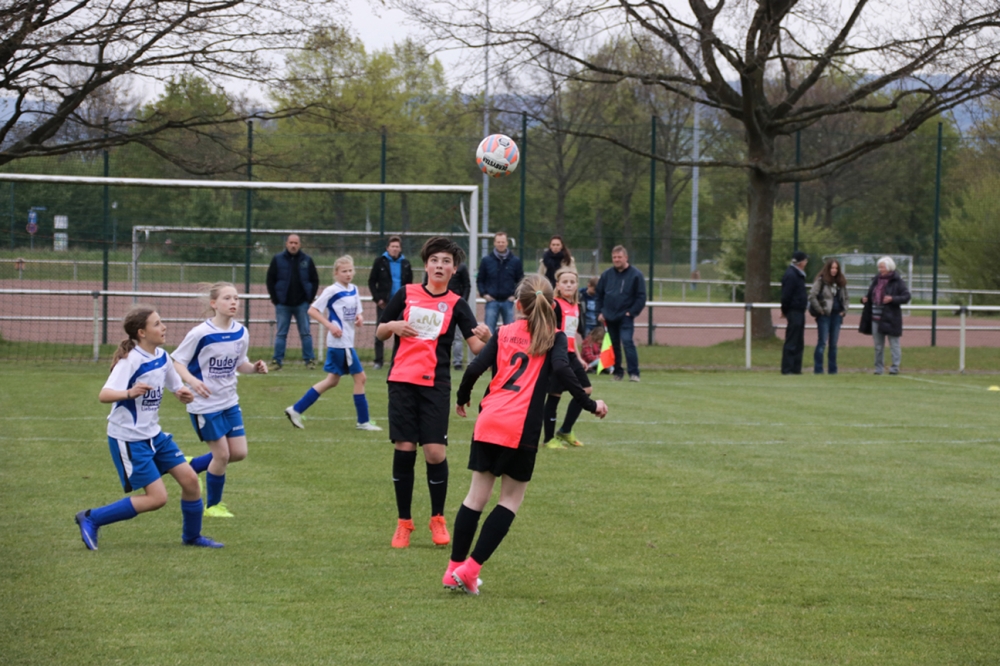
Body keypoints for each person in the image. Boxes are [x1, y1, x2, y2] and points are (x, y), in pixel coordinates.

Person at [444, 274, 609, 595]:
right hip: (520, 429)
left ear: (518, 305)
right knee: (509, 500)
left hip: (489, 420)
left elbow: (475, 367)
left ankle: (453, 570)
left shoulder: (504, 331)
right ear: (551, 304)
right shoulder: (554, 337)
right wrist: (591, 404)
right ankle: (470, 571)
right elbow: (563, 370)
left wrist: (462, 397)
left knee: (475, 498)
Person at [375, 236, 492, 549]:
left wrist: (488, 337)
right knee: (404, 448)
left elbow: (477, 348)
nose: (440, 266)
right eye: (435, 260)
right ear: (426, 265)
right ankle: (404, 523)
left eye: (446, 262)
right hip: (401, 381)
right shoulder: (406, 293)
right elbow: (381, 331)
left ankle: (437, 518)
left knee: (435, 453)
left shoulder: (457, 304)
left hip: (435, 385)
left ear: (454, 270)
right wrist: (394, 326)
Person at [74, 306, 223, 550]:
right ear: (142, 333)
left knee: (190, 480)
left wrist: (183, 394)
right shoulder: (130, 361)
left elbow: (176, 387)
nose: (164, 327)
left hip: (155, 435)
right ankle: (92, 518)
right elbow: (104, 395)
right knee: (157, 498)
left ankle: (192, 537)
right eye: (157, 324)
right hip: (129, 439)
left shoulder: (162, 357)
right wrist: (129, 393)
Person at [171, 282, 269, 519]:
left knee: (239, 453)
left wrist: (254, 368)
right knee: (222, 455)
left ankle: (192, 465)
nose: (233, 302)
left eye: (236, 298)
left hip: (229, 402)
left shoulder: (241, 332)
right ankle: (213, 505)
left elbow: (240, 364)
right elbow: (177, 362)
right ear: (213, 303)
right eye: (227, 298)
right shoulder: (200, 333)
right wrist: (192, 381)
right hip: (204, 405)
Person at [285, 256, 381, 431]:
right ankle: (363, 421)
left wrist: (359, 318)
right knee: (360, 378)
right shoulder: (332, 290)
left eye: (350, 270)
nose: (348, 274)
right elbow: (312, 310)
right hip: (340, 344)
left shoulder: (354, 289)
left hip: (347, 342)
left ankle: (296, 409)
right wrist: (329, 325)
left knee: (332, 381)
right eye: (344, 271)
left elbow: (357, 313)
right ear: (336, 273)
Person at [543, 266, 592, 449]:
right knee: (554, 395)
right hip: (557, 356)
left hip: (571, 355)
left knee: (586, 390)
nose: (569, 285)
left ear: (577, 285)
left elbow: (570, 336)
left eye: (572, 282)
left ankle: (565, 430)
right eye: (565, 282)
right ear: (557, 285)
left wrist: (579, 357)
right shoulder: (555, 305)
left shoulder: (576, 306)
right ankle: (549, 439)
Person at [266, 234, 319, 370]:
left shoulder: (307, 260)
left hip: (302, 304)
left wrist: (309, 298)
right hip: (283, 304)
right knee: (281, 334)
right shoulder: (277, 259)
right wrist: (275, 299)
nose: (293, 245)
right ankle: (277, 361)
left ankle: (309, 360)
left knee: (305, 333)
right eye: (291, 243)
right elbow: (270, 280)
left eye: (296, 243)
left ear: (299, 245)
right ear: (286, 244)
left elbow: (314, 280)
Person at [595, 245, 646, 382]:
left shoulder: (636, 275)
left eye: (619, 257)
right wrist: (599, 312)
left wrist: (631, 312)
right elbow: (599, 295)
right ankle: (618, 373)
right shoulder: (606, 275)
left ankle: (634, 373)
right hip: (609, 316)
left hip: (625, 316)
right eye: (614, 257)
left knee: (627, 342)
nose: (617, 260)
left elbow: (641, 297)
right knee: (614, 345)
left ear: (626, 257)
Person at [860, 256, 911, 375]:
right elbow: (870, 295)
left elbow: (906, 296)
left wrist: (893, 299)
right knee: (878, 346)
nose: (880, 269)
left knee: (894, 344)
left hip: (891, 317)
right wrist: (864, 299)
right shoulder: (876, 280)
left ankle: (895, 368)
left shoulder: (897, 281)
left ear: (889, 267)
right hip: (875, 317)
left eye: (882, 267)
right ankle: (879, 368)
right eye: (879, 267)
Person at [368, 236, 413, 370]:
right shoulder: (380, 262)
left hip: (401, 304)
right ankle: (378, 361)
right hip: (384, 303)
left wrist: (407, 300)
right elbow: (372, 281)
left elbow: (409, 284)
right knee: (380, 331)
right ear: (387, 248)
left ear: (400, 249)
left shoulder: (405, 263)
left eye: (397, 247)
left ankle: (396, 360)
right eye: (392, 246)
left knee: (401, 333)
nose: (395, 249)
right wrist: (378, 299)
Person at [477, 231, 524, 334]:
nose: (501, 244)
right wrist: (484, 294)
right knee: (489, 331)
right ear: (494, 243)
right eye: (498, 242)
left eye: (503, 242)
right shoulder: (486, 261)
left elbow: (521, 281)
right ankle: (489, 345)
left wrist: (515, 295)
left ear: (507, 243)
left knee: (511, 331)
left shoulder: (515, 261)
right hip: (492, 301)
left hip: (508, 302)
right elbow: (480, 280)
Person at [809, 259, 849, 375]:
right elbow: (812, 296)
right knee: (822, 342)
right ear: (828, 268)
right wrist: (820, 310)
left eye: (836, 268)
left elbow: (846, 298)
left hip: (837, 315)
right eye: (832, 268)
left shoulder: (841, 282)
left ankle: (833, 370)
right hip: (825, 316)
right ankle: (818, 369)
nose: (834, 270)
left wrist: (844, 311)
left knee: (833, 344)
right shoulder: (821, 281)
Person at [780, 250, 809, 375]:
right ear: (801, 262)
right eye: (805, 260)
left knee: (798, 341)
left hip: (799, 311)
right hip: (794, 311)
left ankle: (796, 368)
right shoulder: (792, 275)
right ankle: (787, 368)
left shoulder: (797, 274)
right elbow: (786, 296)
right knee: (792, 340)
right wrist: (785, 310)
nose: (806, 262)